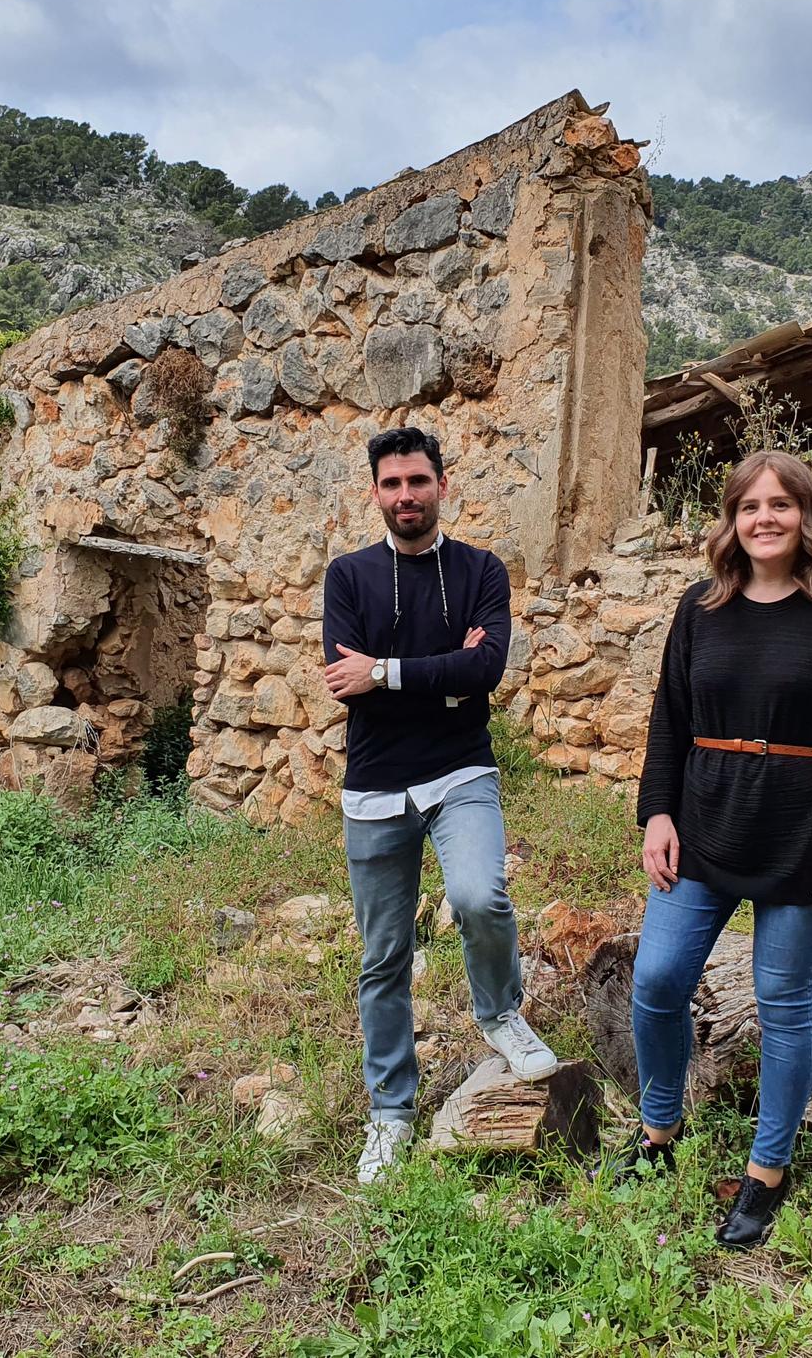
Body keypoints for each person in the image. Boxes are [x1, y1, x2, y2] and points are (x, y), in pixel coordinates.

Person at [610, 448, 812, 1249]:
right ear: (731, 521)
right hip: (704, 821)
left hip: (806, 832)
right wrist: (656, 815)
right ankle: (657, 1133)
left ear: (807, 516)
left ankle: (768, 1171)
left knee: (783, 1004)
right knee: (658, 979)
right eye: (749, 506)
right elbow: (668, 719)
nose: (764, 519)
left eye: (781, 504)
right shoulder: (700, 608)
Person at [323, 425, 560, 1185]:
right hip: (374, 786)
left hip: (461, 771)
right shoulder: (348, 577)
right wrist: (440, 672)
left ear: (441, 486)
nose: (405, 496)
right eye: (391, 484)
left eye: (417, 481)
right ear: (375, 494)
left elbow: (485, 669)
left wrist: (387, 673)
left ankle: (500, 1014)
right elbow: (342, 680)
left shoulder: (482, 570)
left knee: (479, 896)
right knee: (383, 957)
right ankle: (390, 1112)